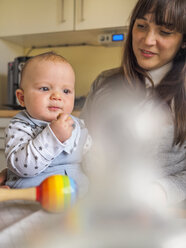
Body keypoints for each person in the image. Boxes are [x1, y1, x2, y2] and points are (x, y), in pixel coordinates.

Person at [80, 0, 186, 206]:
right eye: (141, 26)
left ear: (183, 40)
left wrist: (158, 192)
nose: (147, 40)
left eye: (164, 31)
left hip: (162, 217)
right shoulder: (104, 82)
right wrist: (26, 174)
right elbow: (76, 146)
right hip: (95, 208)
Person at [3, 52, 91, 197]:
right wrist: (53, 137)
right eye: (45, 88)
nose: (57, 96)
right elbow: (22, 168)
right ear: (22, 98)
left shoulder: (78, 125)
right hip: (33, 201)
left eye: (66, 91)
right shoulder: (20, 126)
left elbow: (91, 159)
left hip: (77, 200)